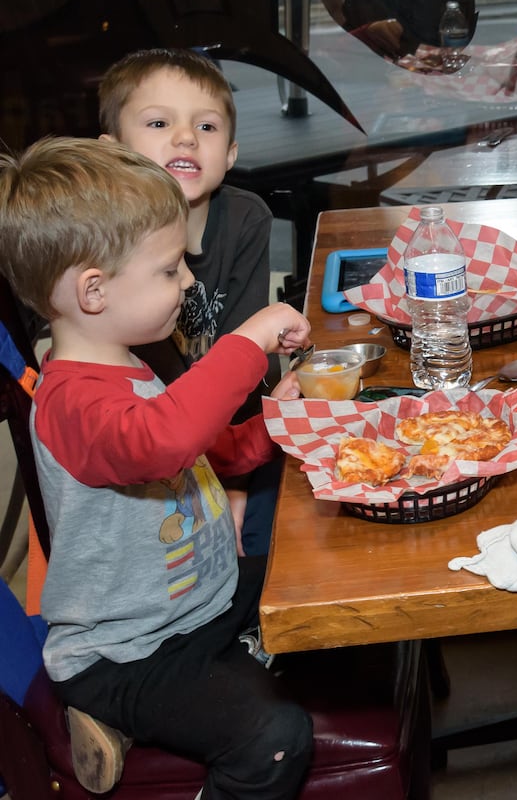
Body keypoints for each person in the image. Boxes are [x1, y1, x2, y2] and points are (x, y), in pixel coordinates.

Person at [0, 136, 314, 797]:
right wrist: (247, 342)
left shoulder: (130, 362)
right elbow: (164, 440)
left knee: (318, 583)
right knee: (275, 740)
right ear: (93, 291)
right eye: (170, 270)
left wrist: (274, 426)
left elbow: (200, 454)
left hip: (199, 603)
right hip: (129, 654)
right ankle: (117, 713)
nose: (189, 284)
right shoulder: (68, 401)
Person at [98, 47, 284, 556]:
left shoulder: (246, 219)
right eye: (159, 122)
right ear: (112, 151)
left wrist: (241, 472)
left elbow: (250, 358)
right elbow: (144, 396)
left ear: (230, 152)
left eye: (205, 128)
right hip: (147, 444)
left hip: (230, 428)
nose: (185, 137)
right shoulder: (100, 244)